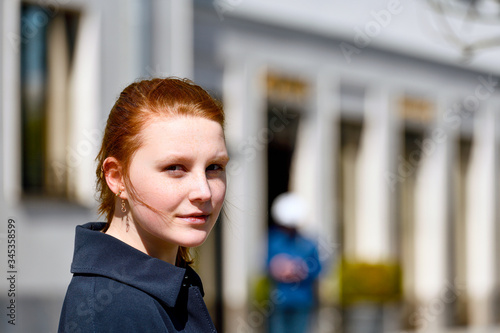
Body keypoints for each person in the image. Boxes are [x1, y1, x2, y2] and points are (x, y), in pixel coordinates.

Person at [58, 78, 228, 332]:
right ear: (116, 177)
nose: (204, 192)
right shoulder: (114, 309)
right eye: (175, 168)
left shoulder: (160, 288)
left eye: (214, 167)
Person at [267, 192, 322, 333]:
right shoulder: (273, 240)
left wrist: (302, 269)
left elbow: (319, 268)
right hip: (279, 300)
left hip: (302, 300)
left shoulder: (308, 243)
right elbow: (265, 264)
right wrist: (277, 267)